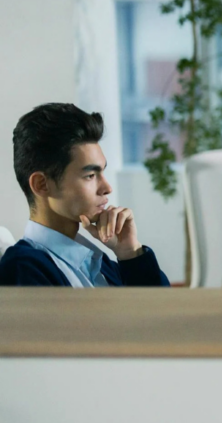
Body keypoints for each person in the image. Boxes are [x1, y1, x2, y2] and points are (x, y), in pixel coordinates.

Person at [0, 104, 169, 287]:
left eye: (102, 172)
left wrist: (131, 253)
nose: (107, 188)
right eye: (90, 175)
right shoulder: (22, 269)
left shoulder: (98, 263)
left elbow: (162, 306)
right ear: (42, 184)